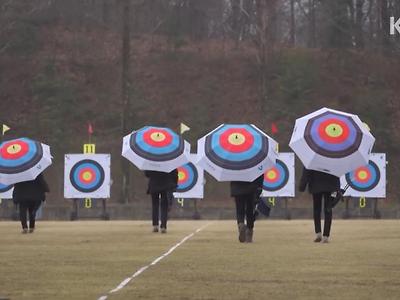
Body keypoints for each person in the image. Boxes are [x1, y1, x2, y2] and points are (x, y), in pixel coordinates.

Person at [299, 167, 340, 243]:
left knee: (317, 209)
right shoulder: (332, 155)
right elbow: (337, 171)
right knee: (328, 210)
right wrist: (337, 188)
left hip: (316, 185)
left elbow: (306, 170)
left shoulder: (313, 156)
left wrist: (302, 186)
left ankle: (318, 234)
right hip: (330, 186)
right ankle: (326, 236)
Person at [230, 174, 264, 243]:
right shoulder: (253, 163)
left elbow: (230, 174)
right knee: (250, 210)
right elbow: (260, 174)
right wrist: (259, 187)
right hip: (251, 187)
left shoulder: (235, 163)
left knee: (240, 209)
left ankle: (241, 225)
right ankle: (249, 233)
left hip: (237, 187)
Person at [145, 169, 178, 234]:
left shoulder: (152, 160)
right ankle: (163, 226)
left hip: (154, 185)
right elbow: (175, 174)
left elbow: (147, 174)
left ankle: (155, 226)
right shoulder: (169, 160)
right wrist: (174, 184)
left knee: (155, 205)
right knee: (164, 206)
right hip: (166, 186)